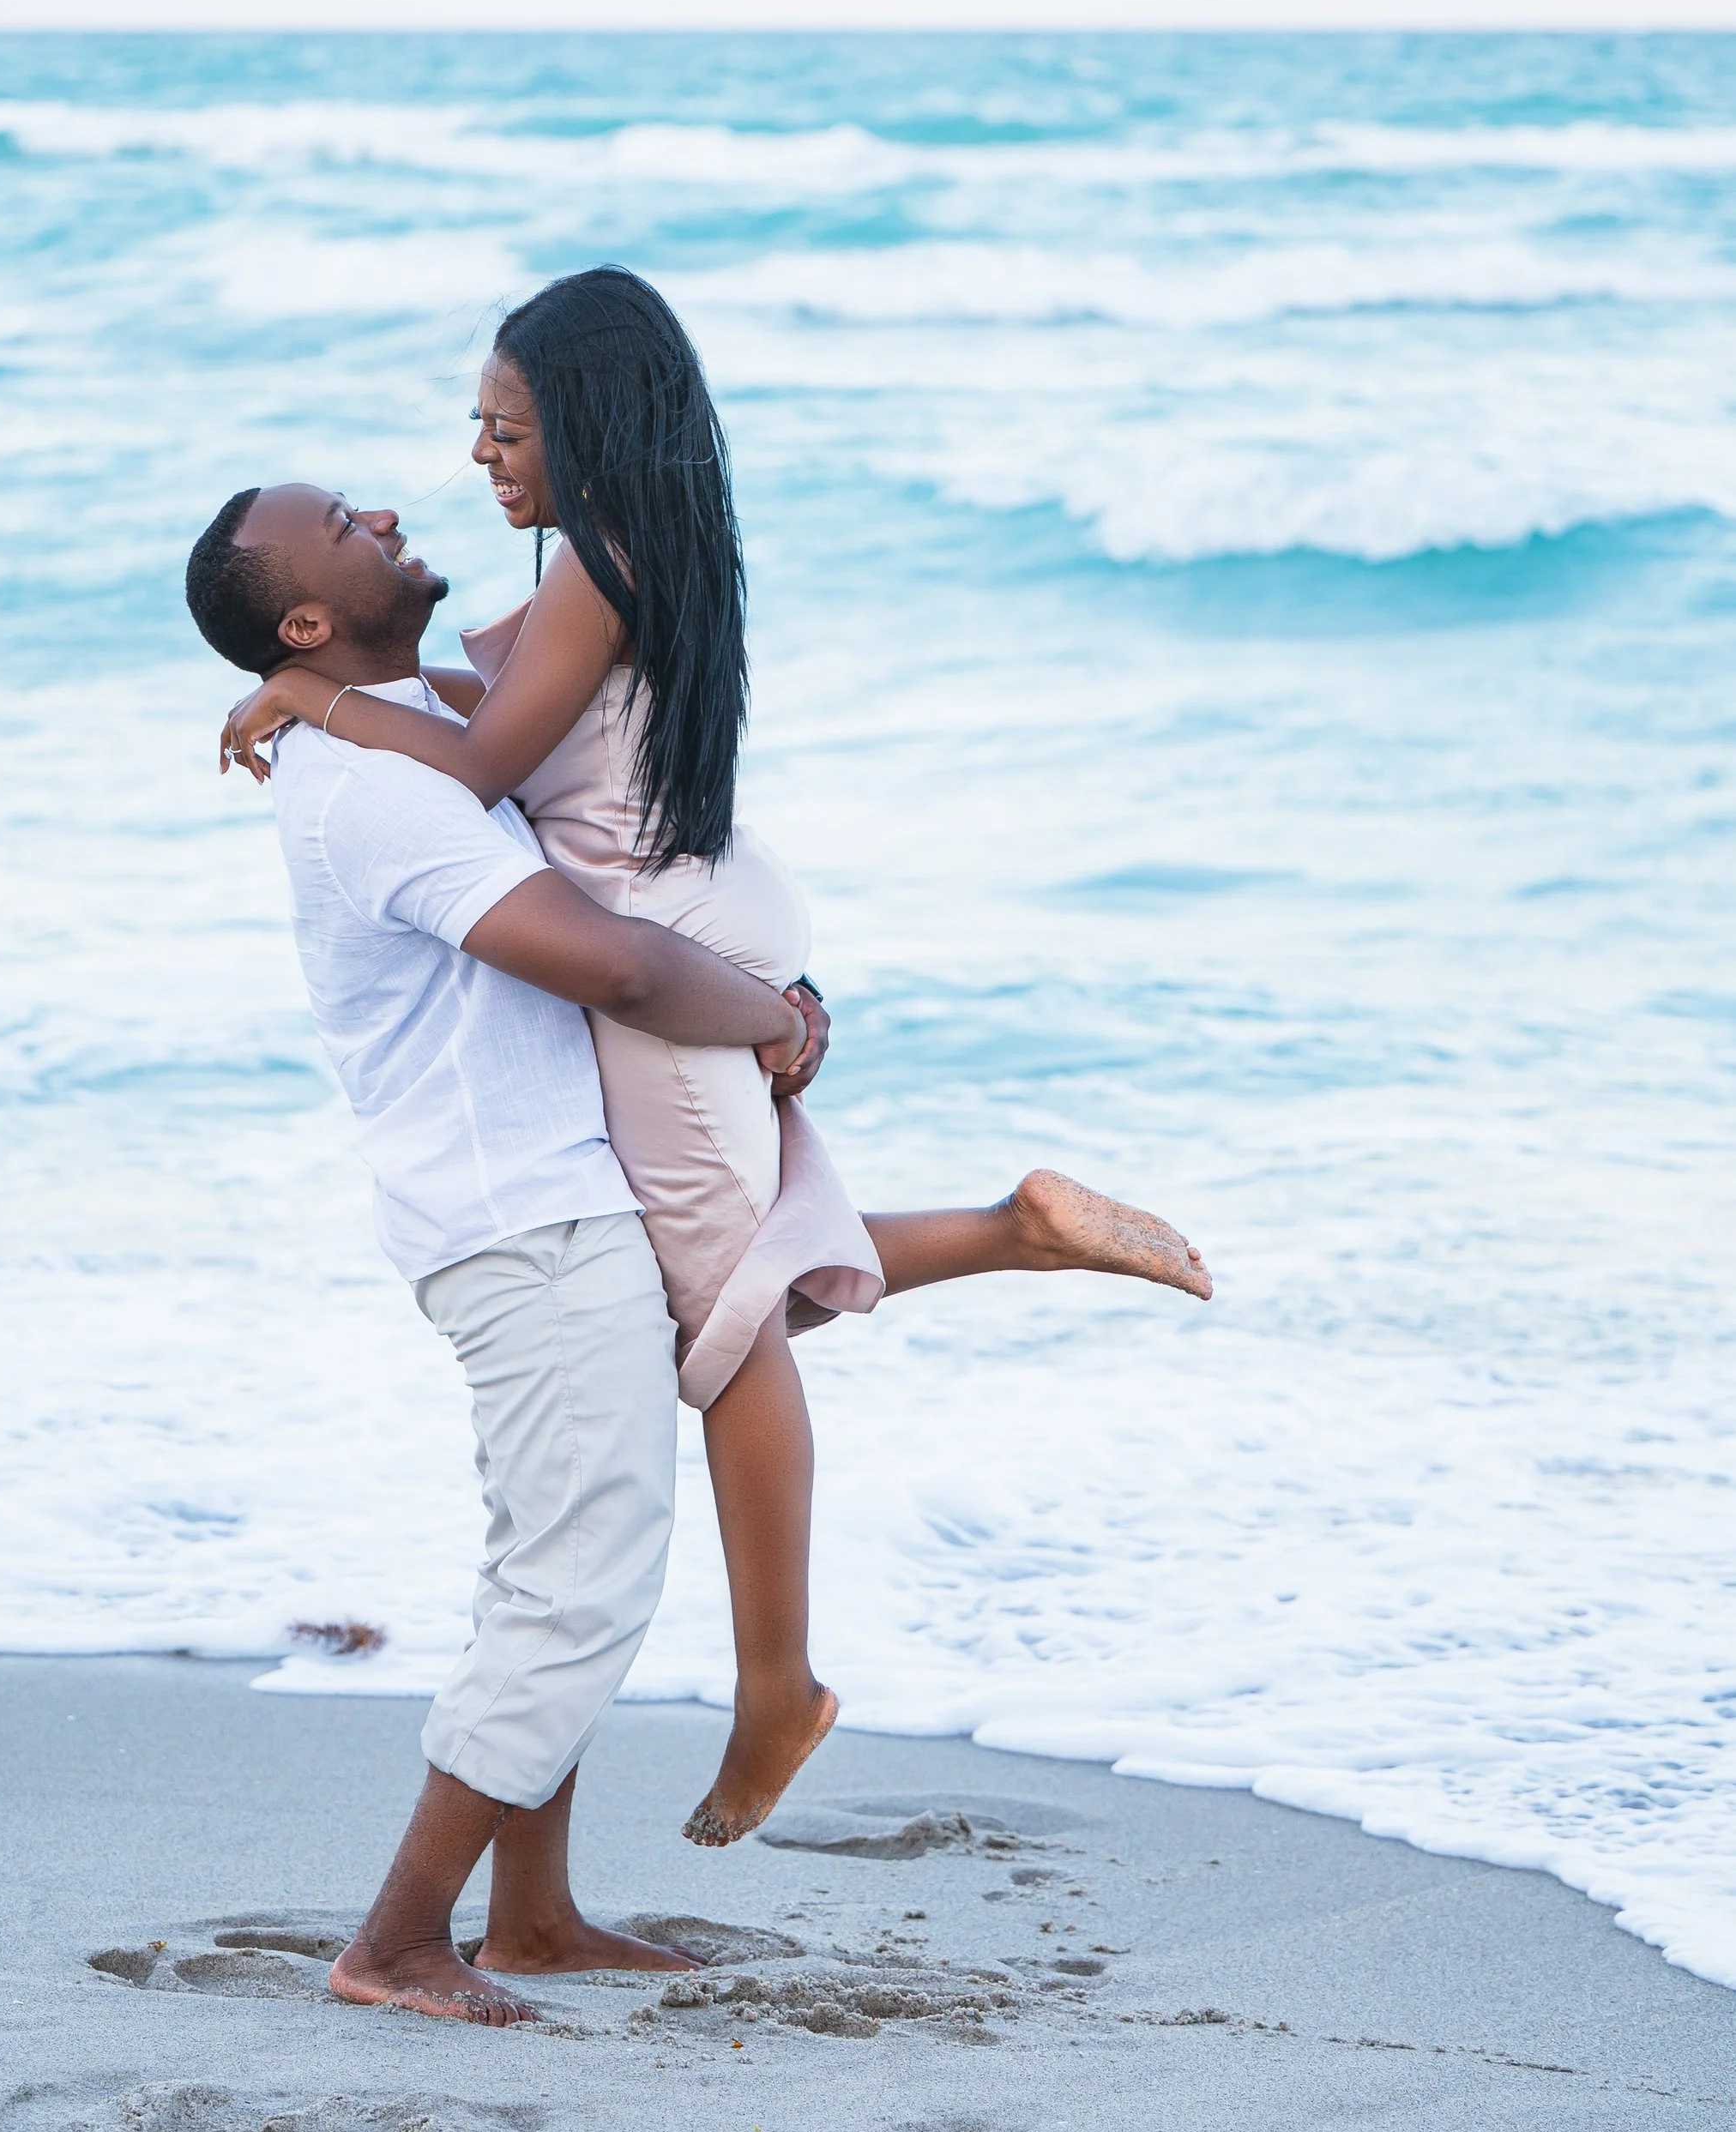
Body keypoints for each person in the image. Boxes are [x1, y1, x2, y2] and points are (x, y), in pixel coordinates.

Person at [218, 268, 1213, 1856]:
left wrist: (316, 701)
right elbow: (500, 719)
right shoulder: (625, 558)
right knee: (740, 1258)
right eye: (477, 426)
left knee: (730, 1317)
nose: (478, 457)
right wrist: (353, 697)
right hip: (700, 913)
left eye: (507, 427)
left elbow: (475, 760)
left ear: (590, 423)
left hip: (667, 948)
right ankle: (1019, 1231)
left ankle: (778, 1683)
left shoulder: (593, 571)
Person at [184, 479, 829, 2026]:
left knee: (554, 1557)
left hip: (536, 1197)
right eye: (345, 521)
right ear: (307, 618)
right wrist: (777, 1016)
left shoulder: (403, 732)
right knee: (579, 1573)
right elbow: (602, 959)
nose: (390, 509)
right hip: (517, 1218)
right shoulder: (369, 787)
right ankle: (400, 1942)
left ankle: (531, 1918)